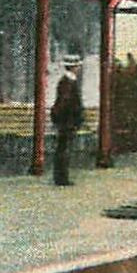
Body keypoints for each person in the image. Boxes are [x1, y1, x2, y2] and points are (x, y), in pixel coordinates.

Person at [49, 57, 84, 186]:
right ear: (74, 67)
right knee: (64, 149)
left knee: (63, 148)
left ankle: (61, 177)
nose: (79, 69)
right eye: (77, 66)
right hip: (67, 121)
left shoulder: (66, 81)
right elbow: (65, 102)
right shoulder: (69, 82)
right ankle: (62, 178)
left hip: (66, 120)